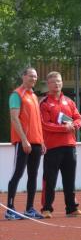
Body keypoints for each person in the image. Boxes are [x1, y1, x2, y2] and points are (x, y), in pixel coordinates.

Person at [39, 71, 81, 218]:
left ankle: (71, 209)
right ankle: (46, 209)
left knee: (69, 179)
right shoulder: (44, 103)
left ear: (62, 83)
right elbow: (45, 124)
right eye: (53, 82)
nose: (57, 84)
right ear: (48, 84)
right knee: (50, 180)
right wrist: (64, 128)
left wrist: (75, 125)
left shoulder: (69, 101)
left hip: (70, 146)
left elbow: (79, 118)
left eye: (59, 81)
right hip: (52, 147)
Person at [5, 67, 45, 220]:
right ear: (23, 76)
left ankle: (29, 209)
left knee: (33, 175)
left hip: (36, 142)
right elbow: (14, 119)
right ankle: (10, 210)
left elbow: (37, 121)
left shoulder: (33, 96)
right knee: (17, 174)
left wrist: (41, 141)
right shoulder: (16, 95)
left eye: (35, 76)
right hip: (23, 142)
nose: (34, 79)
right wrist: (24, 140)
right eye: (31, 76)